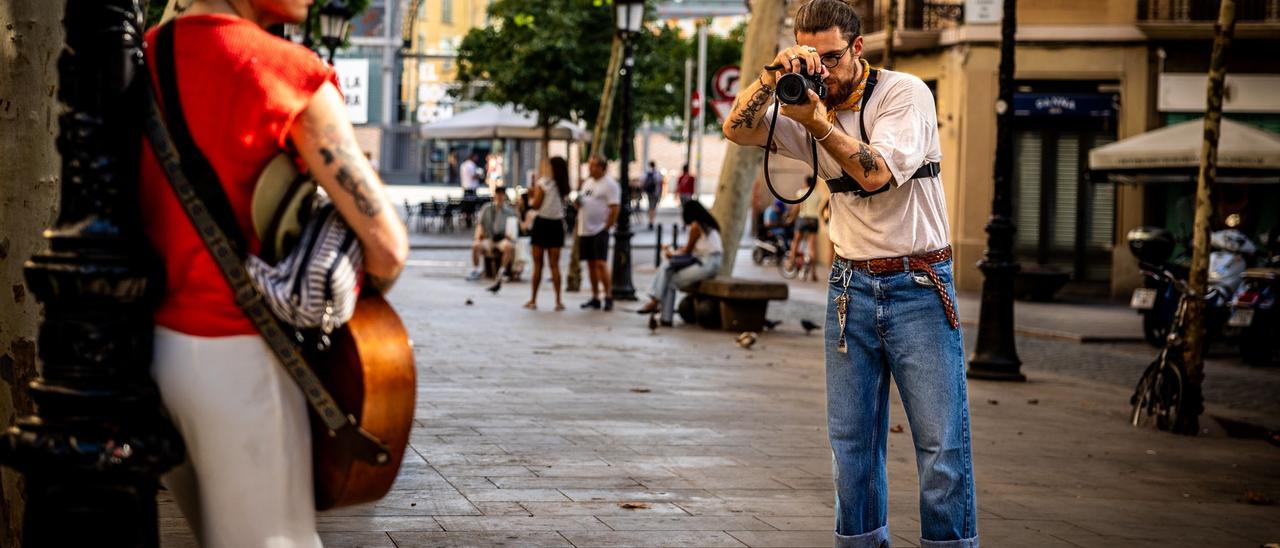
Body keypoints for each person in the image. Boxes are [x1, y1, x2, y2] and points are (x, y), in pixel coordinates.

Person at [137, 0, 409, 545]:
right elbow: (388, 246)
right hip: (244, 359)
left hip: (153, 354)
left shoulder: (141, 57)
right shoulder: (287, 72)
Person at [722, 1, 977, 546]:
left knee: (941, 450)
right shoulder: (803, 102)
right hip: (847, 290)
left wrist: (819, 124)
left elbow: (878, 174)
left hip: (919, 286)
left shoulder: (904, 93)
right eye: (810, 57)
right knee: (852, 447)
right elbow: (736, 128)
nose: (822, 70)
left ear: (857, 49)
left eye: (831, 57)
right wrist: (773, 76)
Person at [636, 200, 723, 326]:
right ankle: (658, 307)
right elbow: (692, 249)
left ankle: (659, 306)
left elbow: (687, 251)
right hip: (708, 262)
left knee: (671, 279)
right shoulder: (707, 225)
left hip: (706, 264)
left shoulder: (696, 226)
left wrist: (672, 253)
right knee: (667, 268)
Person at [525, 156, 570, 311]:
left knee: (538, 265)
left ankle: (533, 300)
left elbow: (536, 205)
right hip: (557, 225)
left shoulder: (543, 183)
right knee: (555, 266)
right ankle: (558, 301)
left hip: (542, 224)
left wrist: (530, 197)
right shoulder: (563, 185)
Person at [577, 154, 620, 311]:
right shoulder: (587, 183)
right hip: (585, 229)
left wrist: (607, 226)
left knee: (601, 263)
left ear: (602, 167)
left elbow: (615, 208)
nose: (590, 168)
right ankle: (595, 296)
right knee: (590, 264)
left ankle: (608, 295)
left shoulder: (610, 185)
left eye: (593, 165)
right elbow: (582, 201)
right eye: (589, 165)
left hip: (599, 229)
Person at [468, 187, 517, 286]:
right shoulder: (487, 209)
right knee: (476, 245)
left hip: (502, 239)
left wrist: (510, 236)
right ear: (494, 196)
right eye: (498, 195)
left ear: (504, 197)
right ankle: (475, 270)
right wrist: (478, 237)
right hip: (488, 238)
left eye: (502, 195)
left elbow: (512, 229)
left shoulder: (509, 212)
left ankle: (502, 271)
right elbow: (480, 225)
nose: (499, 197)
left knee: (508, 246)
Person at [789, 177, 826, 281]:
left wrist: (791, 218)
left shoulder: (801, 192)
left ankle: (791, 262)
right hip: (814, 220)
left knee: (796, 241)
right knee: (811, 247)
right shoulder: (818, 194)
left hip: (803, 218)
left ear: (805, 183)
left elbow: (796, 208)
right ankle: (813, 273)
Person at [641, 161, 663, 230]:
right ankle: (651, 221)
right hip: (656, 193)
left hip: (649, 193)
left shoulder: (647, 173)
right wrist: (660, 194)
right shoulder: (657, 173)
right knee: (653, 207)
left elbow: (643, 182)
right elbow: (660, 184)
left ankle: (650, 221)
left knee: (650, 206)